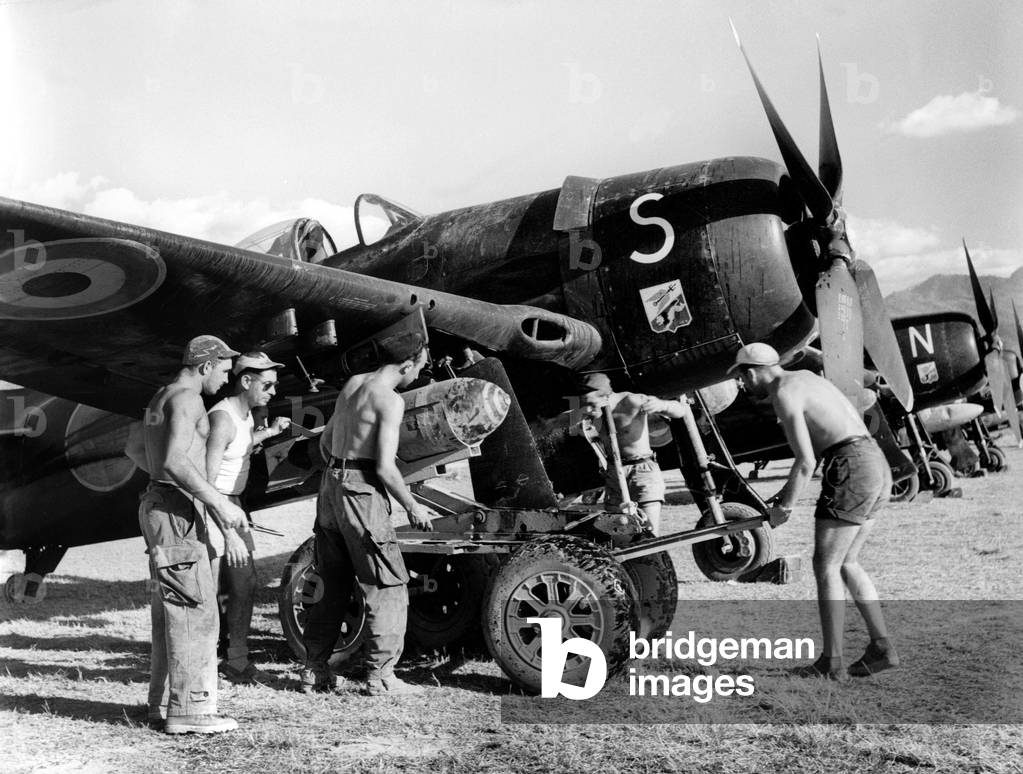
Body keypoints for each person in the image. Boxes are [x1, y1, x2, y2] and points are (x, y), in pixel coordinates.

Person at [729, 342, 899, 680]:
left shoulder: (784, 393)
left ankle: (831, 663)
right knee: (847, 561)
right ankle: (881, 647)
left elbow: (806, 461)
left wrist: (785, 509)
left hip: (850, 464)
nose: (743, 386)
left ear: (752, 372)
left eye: (742, 379)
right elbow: (820, 442)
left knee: (826, 564)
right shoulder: (805, 376)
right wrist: (783, 494)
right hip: (874, 461)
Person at [300, 333, 434, 696]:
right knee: (387, 583)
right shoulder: (389, 401)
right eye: (419, 367)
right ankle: (382, 677)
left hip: (331, 485)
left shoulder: (354, 384)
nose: (418, 373)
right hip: (361, 491)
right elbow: (387, 468)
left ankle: (314, 670)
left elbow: (326, 442)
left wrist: (339, 476)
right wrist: (412, 505)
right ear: (407, 364)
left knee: (332, 581)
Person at [139, 335, 248, 734]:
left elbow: (139, 449)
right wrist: (219, 503)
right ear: (206, 365)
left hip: (159, 504)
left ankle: (161, 705)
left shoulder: (160, 397)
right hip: (175, 508)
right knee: (194, 610)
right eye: (223, 370)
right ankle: (190, 711)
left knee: (170, 611)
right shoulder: (189, 399)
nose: (226, 380)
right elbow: (173, 461)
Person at [205, 352, 291, 684]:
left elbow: (237, 448)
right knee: (211, 590)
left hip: (234, 505)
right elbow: (207, 483)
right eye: (267, 385)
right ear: (246, 381)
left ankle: (236, 660)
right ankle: (205, 663)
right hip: (216, 506)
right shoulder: (223, 418)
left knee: (244, 584)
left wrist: (267, 434)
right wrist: (227, 534)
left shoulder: (244, 417)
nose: (272, 391)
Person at [578, 372, 685, 535]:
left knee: (648, 534)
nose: (588, 410)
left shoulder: (632, 401)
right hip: (614, 473)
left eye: (592, 404)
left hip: (642, 471)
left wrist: (662, 405)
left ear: (606, 396)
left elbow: (680, 410)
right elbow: (564, 422)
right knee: (617, 535)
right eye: (584, 404)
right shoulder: (589, 412)